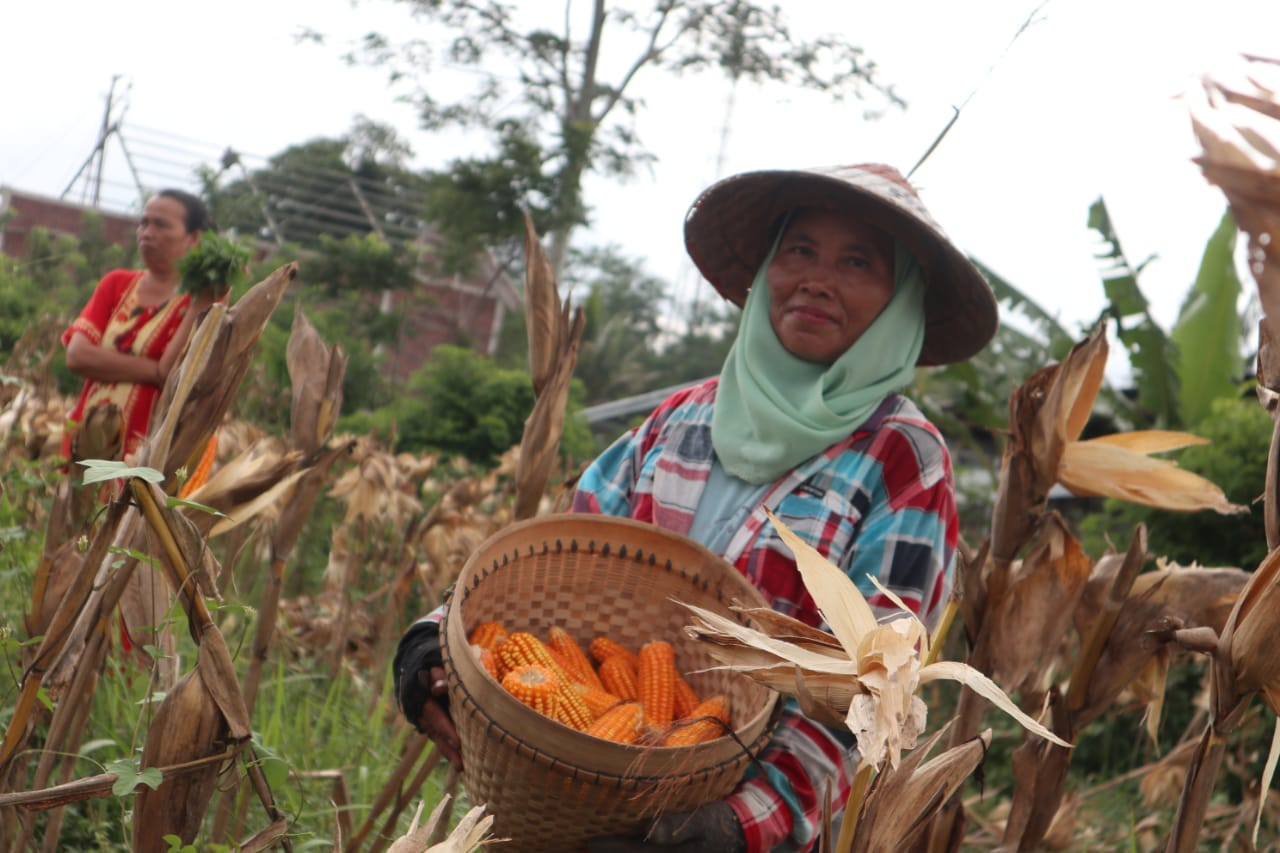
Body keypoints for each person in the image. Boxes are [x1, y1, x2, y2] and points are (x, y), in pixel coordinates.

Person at [393, 163, 998, 852]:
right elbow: (546, 562)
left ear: (901, 301)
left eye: (857, 260)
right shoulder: (681, 418)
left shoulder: (904, 459)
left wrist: (734, 826)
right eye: (798, 249)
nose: (817, 278)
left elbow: (869, 697)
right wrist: (435, 637)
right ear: (768, 266)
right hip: (564, 796)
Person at [61, 189, 217, 462]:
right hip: (86, 443)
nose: (147, 232)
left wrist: (151, 370)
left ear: (194, 238)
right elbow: (77, 356)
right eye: (144, 223)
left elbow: (174, 374)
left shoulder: (202, 302)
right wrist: (152, 370)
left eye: (161, 225)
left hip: (147, 458)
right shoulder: (116, 284)